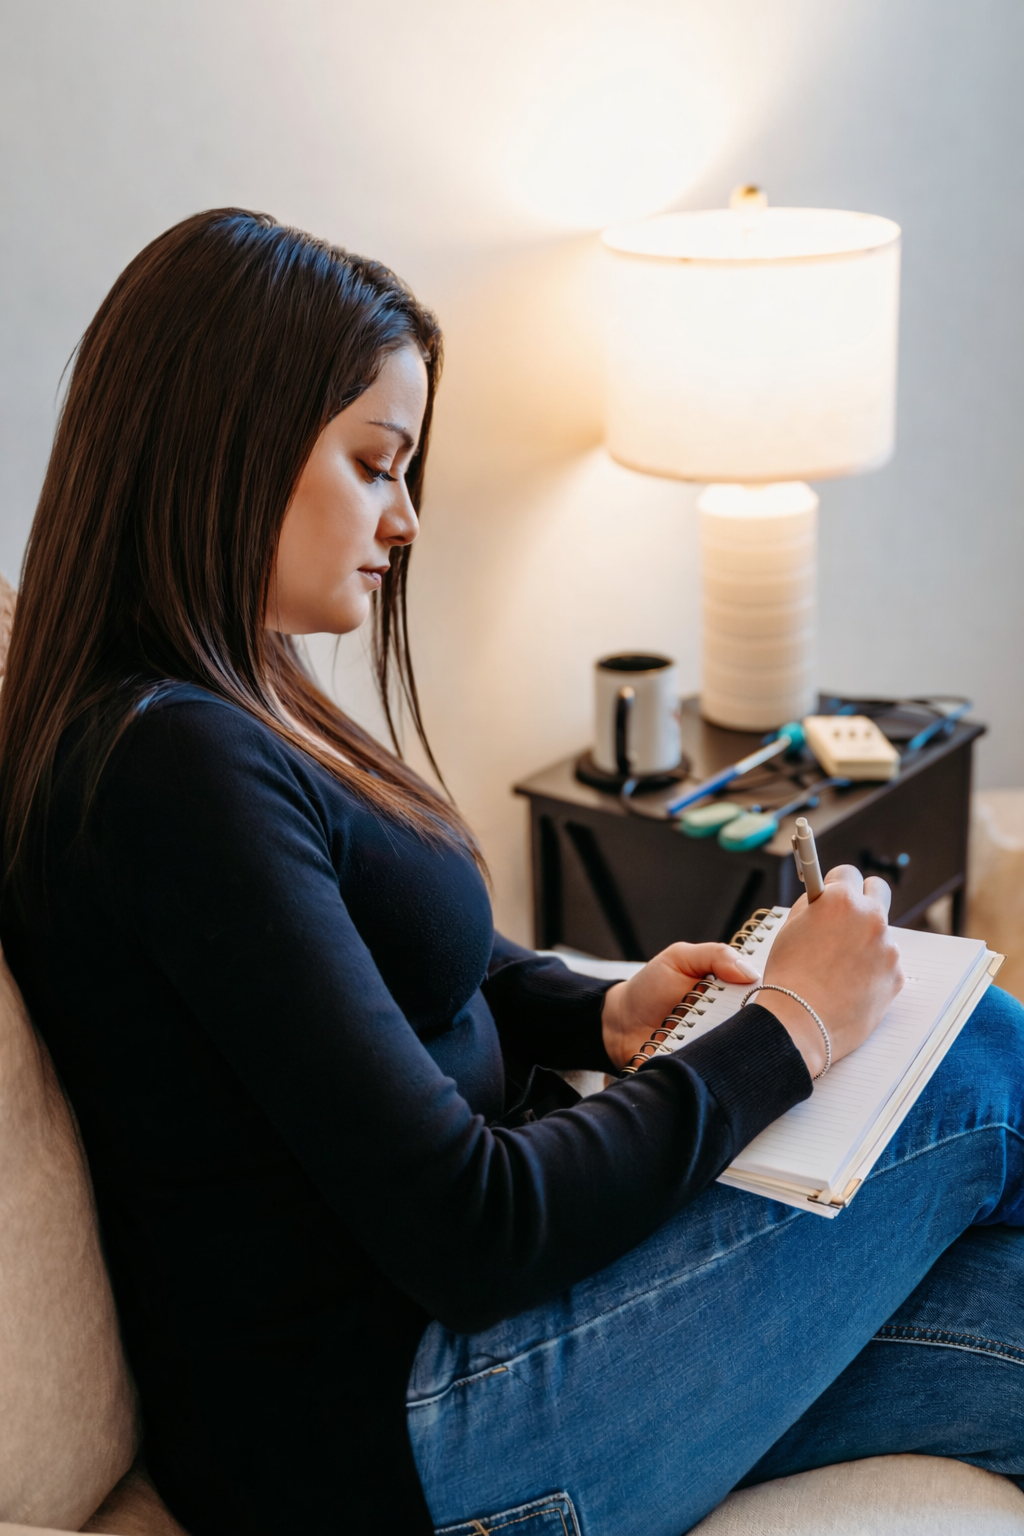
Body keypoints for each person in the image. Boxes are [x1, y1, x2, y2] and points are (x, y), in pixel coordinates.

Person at [0, 209, 1022, 1536]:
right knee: (967, 1059)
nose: (408, 518)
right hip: (404, 1437)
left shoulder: (215, 707)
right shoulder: (166, 769)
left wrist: (592, 1009)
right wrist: (793, 1027)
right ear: (232, 446)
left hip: (443, 1381)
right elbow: (471, 1226)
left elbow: (371, 964)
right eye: (378, 465)